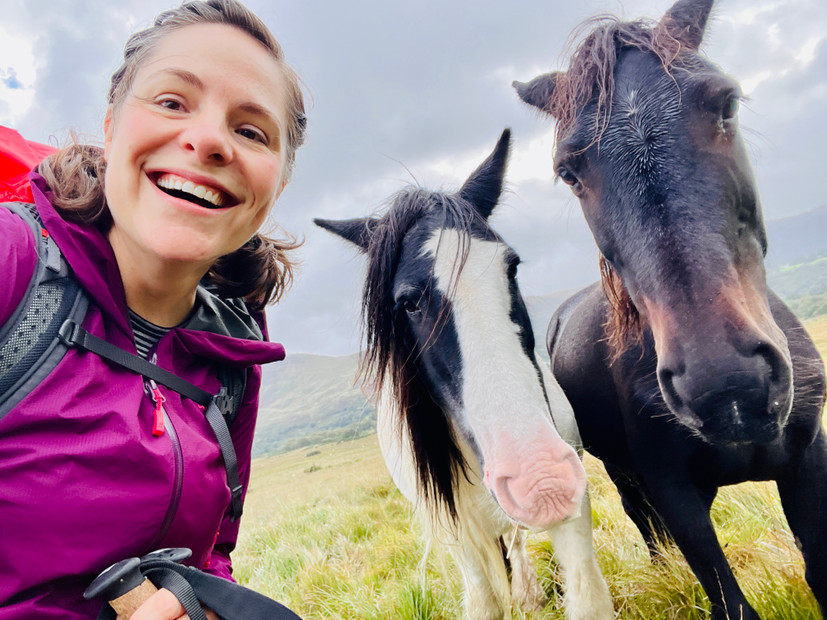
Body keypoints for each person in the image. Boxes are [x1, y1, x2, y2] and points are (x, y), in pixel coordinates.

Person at [0, 1, 306, 618]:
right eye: (172, 101)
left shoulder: (233, 346)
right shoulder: (11, 260)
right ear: (111, 127)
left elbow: (214, 547)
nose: (211, 140)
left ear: (277, 181)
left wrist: (199, 600)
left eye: (251, 131)